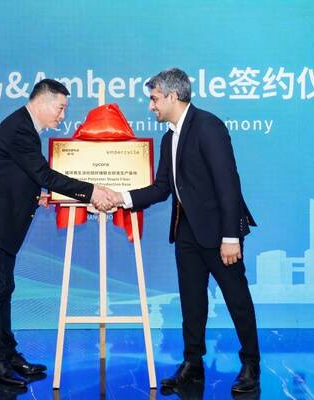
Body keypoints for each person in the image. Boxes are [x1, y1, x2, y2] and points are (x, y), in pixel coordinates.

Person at [107, 68, 260, 394]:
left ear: (173, 96)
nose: (151, 106)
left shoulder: (208, 126)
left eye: (154, 99)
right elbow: (162, 188)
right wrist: (121, 198)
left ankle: (251, 364)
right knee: (191, 302)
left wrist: (231, 237)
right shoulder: (169, 137)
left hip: (220, 233)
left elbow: (228, 184)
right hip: (187, 232)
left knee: (237, 300)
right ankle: (192, 364)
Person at [0, 79, 113, 387]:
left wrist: (38, 196)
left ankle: (8, 355)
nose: (62, 116)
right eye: (61, 107)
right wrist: (92, 190)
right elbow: (43, 174)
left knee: (3, 288)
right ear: (42, 101)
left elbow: (20, 175)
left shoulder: (23, 129)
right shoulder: (20, 130)